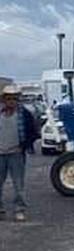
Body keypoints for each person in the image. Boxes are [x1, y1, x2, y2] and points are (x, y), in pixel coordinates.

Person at [0, 85, 39, 222]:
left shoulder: (25, 114)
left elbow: (34, 133)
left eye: (14, 98)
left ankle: (19, 210)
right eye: (8, 98)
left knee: (18, 184)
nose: (11, 101)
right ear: (3, 99)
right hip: (0, 154)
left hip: (16, 154)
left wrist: (23, 146)